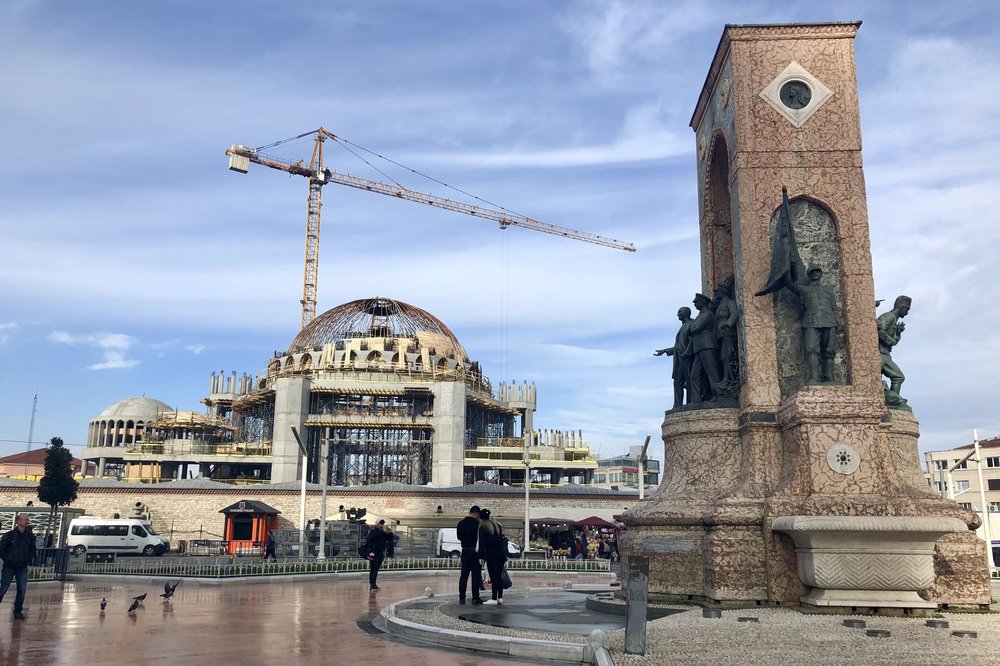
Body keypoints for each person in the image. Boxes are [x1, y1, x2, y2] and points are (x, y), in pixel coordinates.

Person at [788, 266, 843, 383]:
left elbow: (834, 307)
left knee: (829, 350)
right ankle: (814, 377)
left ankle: (829, 377)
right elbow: (789, 283)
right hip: (811, 322)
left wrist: (838, 321)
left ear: (821, 274)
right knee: (811, 349)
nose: (815, 274)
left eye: (817, 271)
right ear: (809, 275)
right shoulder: (804, 289)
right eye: (812, 272)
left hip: (829, 321)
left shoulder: (828, 290)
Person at [654, 306, 694, 408]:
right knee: (677, 382)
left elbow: (692, 341)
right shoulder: (683, 326)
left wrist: (687, 353)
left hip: (687, 358)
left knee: (690, 380)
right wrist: (665, 351)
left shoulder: (691, 324)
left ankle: (690, 402)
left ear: (686, 313)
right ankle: (677, 405)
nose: (677, 314)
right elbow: (678, 346)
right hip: (679, 359)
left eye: (679, 312)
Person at [0, 513, 37, 620]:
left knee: (22, 589)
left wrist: (28, 559)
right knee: (3, 588)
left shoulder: (30, 536)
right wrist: (8, 559)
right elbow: (1, 549)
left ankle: (17, 611)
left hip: (22, 567)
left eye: (28, 519)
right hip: (9, 566)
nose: (27, 521)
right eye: (25, 519)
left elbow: (33, 549)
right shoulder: (9, 535)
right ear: (18, 521)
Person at [877, 296, 911, 403]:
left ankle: (892, 400)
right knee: (898, 377)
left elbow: (892, 339)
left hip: (885, 353)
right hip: (880, 354)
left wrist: (898, 334)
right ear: (902, 307)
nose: (907, 313)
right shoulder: (889, 316)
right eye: (907, 309)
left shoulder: (894, 319)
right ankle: (893, 401)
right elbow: (879, 330)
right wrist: (892, 341)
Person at [688, 293, 721, 402]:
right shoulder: (700, 315)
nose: (695, 304)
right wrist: (692, 328)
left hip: (707, 345)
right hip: (700, 347)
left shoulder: (708, 314)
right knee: (694, 375)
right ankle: (696, 400)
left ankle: (719, 396)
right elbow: (692, 328)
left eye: (696, 302)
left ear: (702, 302)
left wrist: (692, 328)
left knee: (712, 373)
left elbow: (694, 328)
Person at [477, 509, 507, 606]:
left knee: (493, 576)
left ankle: (494, 598)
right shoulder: (496, 526)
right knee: (499, 576)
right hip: (501, 553)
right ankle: (500, 597)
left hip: (492, 554)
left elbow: (482, 543)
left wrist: (481, 557)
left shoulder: (483, 527)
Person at [456, 505, 483, 605]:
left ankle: (462, 597)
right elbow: (480, 539)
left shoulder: (460, 523)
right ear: (476, 514)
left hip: (465, 551)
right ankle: (475, 598)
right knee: (475, 576)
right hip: (475, 552)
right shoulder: (478, 524)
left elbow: (459, 537)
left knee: (464, 576)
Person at [366, 519, 390, 591]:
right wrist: (383, 533)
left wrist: (389, 533)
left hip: (380, 553)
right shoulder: (373, 531)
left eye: (383, 523)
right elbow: (374, 538)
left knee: (376, 569)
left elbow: (388, 539)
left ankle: (374, 584)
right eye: (380, 523)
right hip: (373, 553)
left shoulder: (383, 532)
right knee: (373, 568)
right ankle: (372, 584)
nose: (382, 525)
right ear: (377, 524)